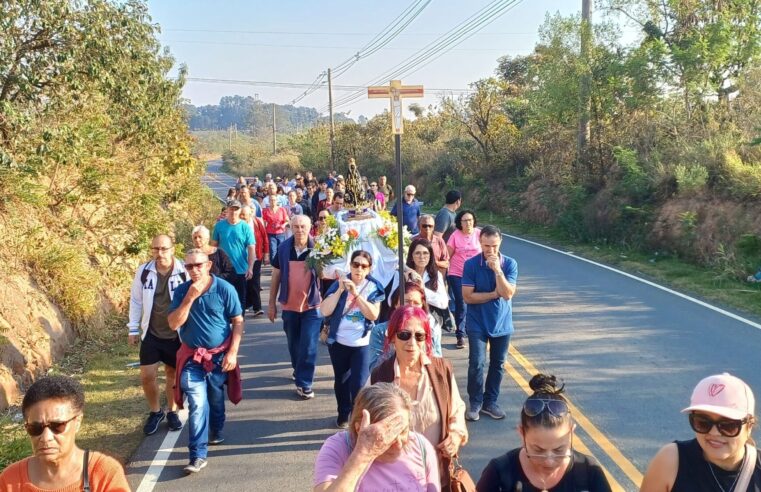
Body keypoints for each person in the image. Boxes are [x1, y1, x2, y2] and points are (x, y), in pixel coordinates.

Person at [371, 306, 468, 491]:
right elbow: (362, 424)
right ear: (392, 338)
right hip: (393, 482)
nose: (412, 342)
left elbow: (457, 410)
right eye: (404, 335)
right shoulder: (379, 377)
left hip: (437, 479)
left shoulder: (442, 371)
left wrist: (455, 436)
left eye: (419, 336)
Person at [168, 249, 244, 474]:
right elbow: (173, 324)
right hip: (192, 358)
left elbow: (237, 321)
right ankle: (197, 455)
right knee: (198, 403)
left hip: (219, 357)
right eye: (189, 266)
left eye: (198, 265)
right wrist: (190, 298)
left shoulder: (224, 289)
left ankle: (217, 427)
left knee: (216, 398)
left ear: (208, 265)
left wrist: (232, 353)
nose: (194, 270)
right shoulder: (182, 291)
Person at [476, 374, 612, 492]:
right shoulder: (498, 472)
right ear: (522, 433)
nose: (549, 461)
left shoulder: (589, 471)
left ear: (571, 433)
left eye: (559, 450)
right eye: (538, 450)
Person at [0, 375, 130, 491]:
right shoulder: (9, 481)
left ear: (77, 421)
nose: (46, 438)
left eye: (57, 426)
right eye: (36, 428)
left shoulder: (104, 474)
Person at [641, 372, 761, 491]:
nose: (714, 433)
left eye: (728, 426)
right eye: (703, 422)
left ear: (749, 426)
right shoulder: (671, 461)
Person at [313, 382, 440, 491]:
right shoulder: (337, 448)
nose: (399, 444)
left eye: (403, 431)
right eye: (389, 435)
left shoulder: (420, 446)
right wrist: (363, 454)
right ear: (359, 429)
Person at [127, 234, 186, 435]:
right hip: (151, 333)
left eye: (163, 249)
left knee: (172, 374)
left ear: (172, 249)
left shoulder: (184, 271)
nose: (159, 253)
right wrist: (133, 328)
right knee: (147, 376)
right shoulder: (144, 272)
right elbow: (135, 300)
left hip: (176, 335)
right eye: (155, 249)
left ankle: (172, 412)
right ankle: (155, 411)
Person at [320, 250, 385, 429]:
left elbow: (373, 314)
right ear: (350, 266)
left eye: (363, 266)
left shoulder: (374, 286)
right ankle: (343, 413)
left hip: (362, 344)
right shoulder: (339, 284)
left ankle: (357, 419)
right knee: (341, 381)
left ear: (369, 269)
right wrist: (340, 290)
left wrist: (356, 294)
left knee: (359, 383)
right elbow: (324, 311)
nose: (359, 269)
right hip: (339, 342)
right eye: (355, 264)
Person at [462, 225, 517, 421]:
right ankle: (475, 402)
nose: (490, 250)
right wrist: (494, 294)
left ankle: (490, 402)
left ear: (500, 243)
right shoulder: (471, 264)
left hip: (501, 323)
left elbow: (508, 293)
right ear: (480, 243)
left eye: (494, 246)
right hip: (477, 323)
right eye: (486, 246)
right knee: (476, 363)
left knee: (498, 364)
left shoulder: (510, 264)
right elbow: (468, 297)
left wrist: (498, 272)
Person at [268, 215, 323, 400]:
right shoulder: (284, 249)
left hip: (313, 306)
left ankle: (304, 383)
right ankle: (298, 369)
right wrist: (271, 304)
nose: (300, 230)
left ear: (309, 228)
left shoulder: (318, 249)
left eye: (303, 227)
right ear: (290, 227)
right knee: (294, 343)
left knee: (308, 345)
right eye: (296, 226)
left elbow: (326, 275)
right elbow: (276, 276)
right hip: (289, 305)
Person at [210, 199, 255, 310]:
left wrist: (250, 268)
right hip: (223, 270)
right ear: (227, 210)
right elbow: (213, 247)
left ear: (240, 211)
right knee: (223, 300)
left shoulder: (245, 227)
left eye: (236, 209)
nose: (234, 212)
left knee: (240, 300)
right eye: (231, 209)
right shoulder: (219, 226)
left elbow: (251, 248)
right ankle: (227, 325)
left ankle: (240, 325)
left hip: (241, 270)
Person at [446, 210, 481, 349]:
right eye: (465, 220)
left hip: (476, 275)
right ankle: (460, 335)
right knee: (462, 304)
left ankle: (475, 330)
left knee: (476, 302)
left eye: (470, 220)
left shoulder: (479, 234)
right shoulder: (455, 235)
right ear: (460, 223)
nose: (468, 223)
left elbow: (488, 250)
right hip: (457, 274)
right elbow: (447, 255)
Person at [249, 210, 269, 316]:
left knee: (255, 282)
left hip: (256, 256)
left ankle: (257, 307)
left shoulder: (256, 222)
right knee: (245, 282)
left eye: (248, 214)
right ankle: (245, 304)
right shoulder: (238, 225)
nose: (245, 216)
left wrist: (266, 253)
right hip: (241, 258)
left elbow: (264, 237)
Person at [262, 188, 290, 264]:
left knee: (281, 249)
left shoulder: (282, 210)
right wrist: (263, 231)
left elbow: (287, 220)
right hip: (270, 233)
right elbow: (264, 222)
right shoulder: (265, 211)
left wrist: (283, 225)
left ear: (277, 201)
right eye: (271, 200)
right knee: (273, 250)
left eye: (274, 200)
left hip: (281, 232)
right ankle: (274, 266)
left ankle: (281, 264)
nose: (273, 201)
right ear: (269, 201)